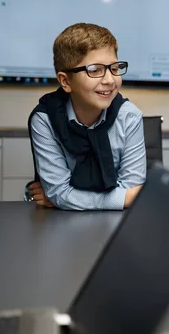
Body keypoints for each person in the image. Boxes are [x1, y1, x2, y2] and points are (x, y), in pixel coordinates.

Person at [27, 23, 146, 210]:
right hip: (59, 227)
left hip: (116, 225)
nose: (109, 80)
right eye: (95, 70)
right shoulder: (45, 120)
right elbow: (127, 197)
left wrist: (65, 199)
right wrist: (60, 196)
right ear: (65, 81)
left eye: (114, 68)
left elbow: (132, 192)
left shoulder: (129, 116)